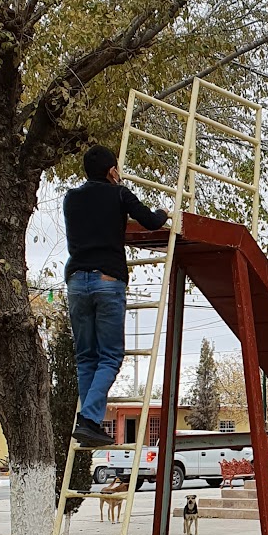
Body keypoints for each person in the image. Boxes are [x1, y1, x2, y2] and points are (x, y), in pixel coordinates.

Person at [63, 146, 169, 446]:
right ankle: (89, 419)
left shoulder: (71, 198)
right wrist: (164, 212)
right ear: (112, 171)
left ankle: (90, 422)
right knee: (110, 356)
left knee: (86, 358)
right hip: (107, 280)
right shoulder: (119, 194)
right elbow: (150, 221)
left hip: (75, 282)